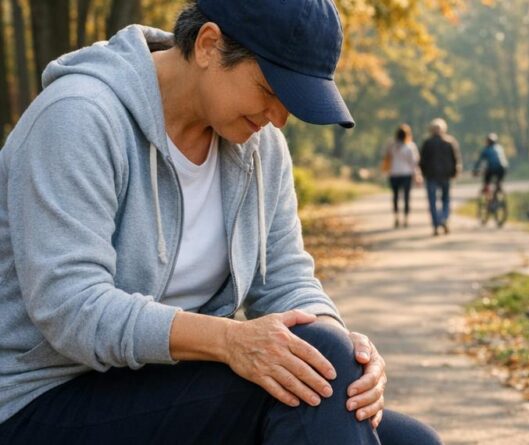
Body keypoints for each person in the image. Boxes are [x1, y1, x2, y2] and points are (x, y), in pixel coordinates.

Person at [0, 1, 442, 444]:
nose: (280, 119)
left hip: (169, 388)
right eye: (270, 90)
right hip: (40, 399)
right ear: (209, 45)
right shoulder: (79, 117)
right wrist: (229, 340)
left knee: (409, 438)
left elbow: (286, 279)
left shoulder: (259, 147)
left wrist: (348, 350)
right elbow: (72, 308)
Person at [419, 118, 461, 236]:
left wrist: (423, 172)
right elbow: (456, 159)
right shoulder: (450, 142)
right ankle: (443, 219)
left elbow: (422, 161)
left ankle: (437, 223)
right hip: (445, 175)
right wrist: (455, 172)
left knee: (433, 201)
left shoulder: (427, 142)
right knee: (445, 200)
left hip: (432, 175)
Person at [383, 124, 420, 228]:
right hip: (406, 174)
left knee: (395, 197)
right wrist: (416, 175)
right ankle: (406, 218)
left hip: (394, 173)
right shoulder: (410, 146)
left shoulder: (391, 145)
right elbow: (414, 162)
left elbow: (386, 158)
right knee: (407, 197)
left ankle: (396, 217)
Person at [472, 132, 509, 197]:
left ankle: (488, 195)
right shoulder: (500, 148)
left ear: (488, 141)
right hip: (502, 168)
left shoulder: (486, 150)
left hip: (492, 169)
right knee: (498, 183)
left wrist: (475, 170)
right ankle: (498, 191)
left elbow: (479, 161)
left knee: (486, 182)